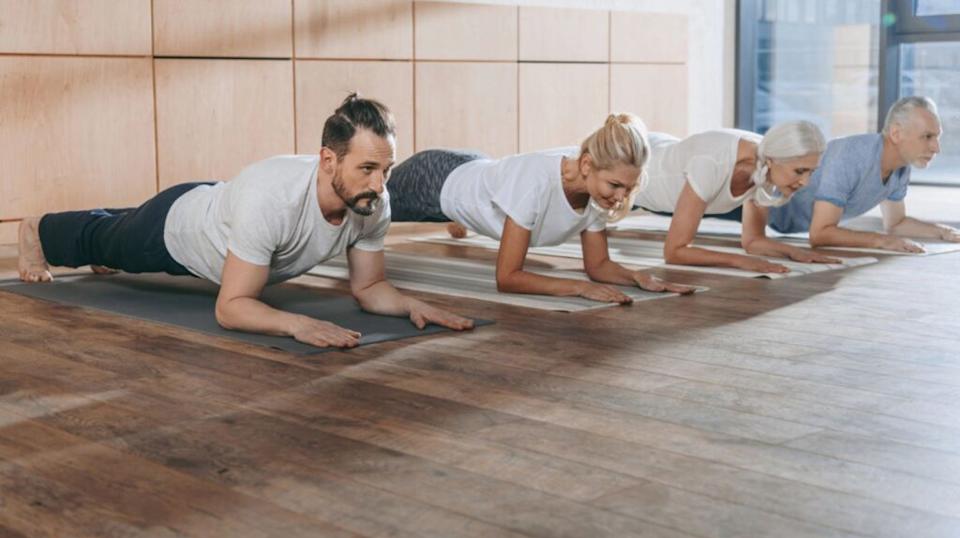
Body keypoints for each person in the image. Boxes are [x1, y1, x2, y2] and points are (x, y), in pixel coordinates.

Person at [17, 94, 474, 348]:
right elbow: (231, 307)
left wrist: (412, 304)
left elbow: (370, 288)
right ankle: (36, 228)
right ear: (328, 160)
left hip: (222, 208)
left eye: (387, 169)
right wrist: (296, 324)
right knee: (105, 242)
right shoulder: (272, 199)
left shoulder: (371, 200)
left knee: (115, 231)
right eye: (368, 169)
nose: (380, 184)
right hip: (178, 230)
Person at [385, 113, 695, 305]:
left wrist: (639, 277)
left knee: (479, 205)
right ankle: (457, 216)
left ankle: (459, 219)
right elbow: (507, 278)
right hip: (436, 181)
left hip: (477, 168)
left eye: (629, 188)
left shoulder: (597, 193)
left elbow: (598, 266)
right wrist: (578, 289)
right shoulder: (536, 183)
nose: (620, 197)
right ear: (587, 165)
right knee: (363, 206)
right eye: (615, 186)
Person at [632, 121, 836, 273]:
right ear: (774, 161)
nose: (805, 182)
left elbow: (753, 240)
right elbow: (674, 252)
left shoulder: (767, 164)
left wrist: (792, 252)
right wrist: (740, 261)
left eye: (812, 172)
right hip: (633, 163)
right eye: (800, 171)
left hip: (658, 152)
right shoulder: (711, 162)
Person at [769, 96, 960, 252]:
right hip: (759, 197)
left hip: (781, 221)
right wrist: (882, 241)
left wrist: (942, 231)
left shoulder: (901, 167)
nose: (937, 148)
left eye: (937, 137)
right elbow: (820, 234)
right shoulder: (851, 156)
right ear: (896, 134)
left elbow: (896, 224)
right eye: (927, 137)